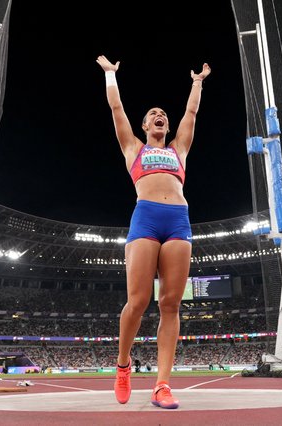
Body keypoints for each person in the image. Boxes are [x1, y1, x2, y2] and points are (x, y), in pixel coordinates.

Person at [96, 55, 211, 409]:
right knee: (139, 300)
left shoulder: (179, 149)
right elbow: (116, 110)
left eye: (164, 114)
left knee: (171, 303)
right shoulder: (134, 148)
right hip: (145, 218)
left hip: (178, 220)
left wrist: (197, 83)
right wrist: (111, 76)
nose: (160, 115)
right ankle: (123, 365)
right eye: (153, 114)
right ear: (145, 126)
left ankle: (162, 384)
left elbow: (190, 116)